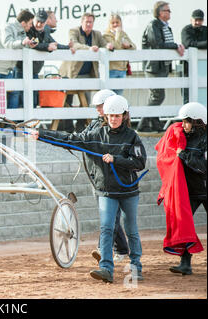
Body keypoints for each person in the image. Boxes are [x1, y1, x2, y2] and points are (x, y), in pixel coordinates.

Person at [30, 95, 146, 283]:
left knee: (131, 229)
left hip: (128, 192)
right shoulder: (96, 135)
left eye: (117, 116)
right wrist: (42, 135)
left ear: (124, 116)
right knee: (107, 228)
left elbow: (139, 162)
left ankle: (136, 267)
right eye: (110, 116)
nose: (113, 120)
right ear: (106, 116)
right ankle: (106, 268)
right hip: (107, 192)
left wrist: (116, 160)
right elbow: (70, 139)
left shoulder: (133, 137)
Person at [156, 102, 206, 276]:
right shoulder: (183, 135)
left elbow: (203, 167)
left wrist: (183, 155)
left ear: (198, 121)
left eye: (187, 121)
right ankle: (185, 264)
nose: (183, 125)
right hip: (190, 192)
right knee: (182, 225)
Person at [85, 90, 130, 264]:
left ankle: (103, 249)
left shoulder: (113, 129)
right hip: (98, 176)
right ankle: (122, 248)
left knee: (110, 216)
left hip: (112, 179)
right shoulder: (95, 124)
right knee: (110, 215)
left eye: (100, 105)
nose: (97, 109)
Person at [59, 13, 113, 133]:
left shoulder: (96, 34)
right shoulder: (74, 31)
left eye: (91, 22)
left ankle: (81, 126)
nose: (89, 24)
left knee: (87, 101)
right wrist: (88, 49)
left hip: (88, 73)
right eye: (86, 22)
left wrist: (108, 46)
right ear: (82, 22)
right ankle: (67, 128)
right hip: (71, 73)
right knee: (67, 100)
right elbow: (74, 44)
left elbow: (103, 44)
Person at [139, 1, 185, 132]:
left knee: (156, 95)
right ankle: (144, 124)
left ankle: (154, 124)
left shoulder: (166, 26)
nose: (169, 13)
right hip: (153, 67)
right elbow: (157, 43)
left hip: (162, 67)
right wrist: (176, 45)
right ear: (160, 12)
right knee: (158, 96)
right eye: (167, 10)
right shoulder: (153, 25)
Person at [14, 10, 74, 108]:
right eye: (37, 21)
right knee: (20, 99)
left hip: (35, 71)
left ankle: (29, 123)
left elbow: (54, 44)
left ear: (46, 22)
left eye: (41, 22)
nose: (38, 24)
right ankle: (19, 123)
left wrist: (67, 47)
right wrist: (47, 47)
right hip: (21, 70)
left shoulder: (46, 30)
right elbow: (32, 45)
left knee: (33, 100)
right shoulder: (28, 29)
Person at [0, 10, 37, 109]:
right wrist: (23, 43)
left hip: (5, 70)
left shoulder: (22, 31)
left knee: (14, 91)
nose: (32, 26)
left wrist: (28, 45)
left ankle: (10, 123)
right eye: (30, 23)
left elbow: (20, 44)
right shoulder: (7, 27)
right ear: (23, 23)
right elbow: (8, 43)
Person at [103, 14, 136, 95]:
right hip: (112, 70)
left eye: (117, 22)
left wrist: (129, 45)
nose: (115, 24)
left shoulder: (123, 34)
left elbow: (134, 46)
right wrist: (118, 33)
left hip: (122, 70)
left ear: (121, 23)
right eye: (112, 23)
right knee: (110, 96)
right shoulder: (106, 35)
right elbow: (116, 46)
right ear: (109, 24)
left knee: (119, 96)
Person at [181, 10, 207, 104]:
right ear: (191, 19)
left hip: (203, 68)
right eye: (196, 20)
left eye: (200, 20)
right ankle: (188, 117)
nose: (197, 22)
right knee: (187, 95)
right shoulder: (186, 30)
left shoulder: (205, 30)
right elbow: (188, 44)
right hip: (188, 68)